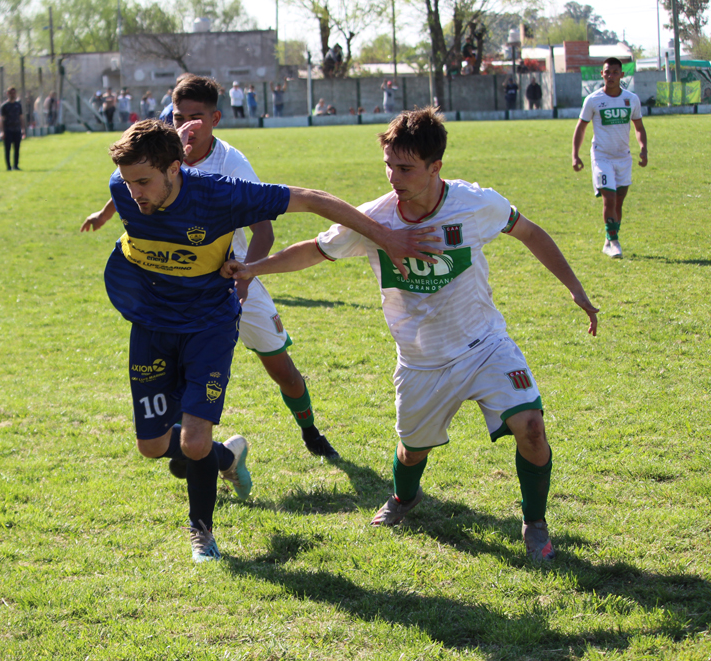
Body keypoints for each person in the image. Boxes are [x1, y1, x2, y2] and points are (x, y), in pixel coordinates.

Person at [223, 107, 600, 562]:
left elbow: (531, 233)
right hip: (422, 361)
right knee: (411, 453)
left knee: (533, 429)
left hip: (485, 344)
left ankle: (534, 522)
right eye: (388, 165)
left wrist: (575, 289)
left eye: (405, 168)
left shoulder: (475, 203)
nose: (393, 176)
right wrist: (253, 269)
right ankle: (404, 498)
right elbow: (315, 251)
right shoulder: (374, 220)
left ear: (435, 166)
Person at [95, 118, 438, 562]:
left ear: (175, 170)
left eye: (143, 181)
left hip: (209, 323)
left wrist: (386, 236)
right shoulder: (124, 188)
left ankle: (202, 535)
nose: (133, 191)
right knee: (153, 447)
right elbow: (135, 185)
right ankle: (228, 458)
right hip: (152, 322)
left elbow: (314, 200)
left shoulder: (221, 193)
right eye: (128, 181)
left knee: (193, 441)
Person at [84, 74, 344, 465]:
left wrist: (247, 276)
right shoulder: (164, 151)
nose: (185, 124)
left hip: (233, 275)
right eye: (177, 115)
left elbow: (264, 231)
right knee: (175, 383)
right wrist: (104, 215)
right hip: (178, 283)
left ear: (216, 118)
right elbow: (131, 180)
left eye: (196, 116)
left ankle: (310, 431)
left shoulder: (232, 164)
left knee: (281, 369)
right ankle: (202, 452)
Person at [572, 58, 647, 259]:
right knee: (609, 198)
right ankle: (613, 241)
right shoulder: (593, 100)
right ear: (602, 74)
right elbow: (581, 127)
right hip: (601, 156)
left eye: (615, 72)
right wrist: (575, 155)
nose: (611, 76)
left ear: (622, 75)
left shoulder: (631, 99)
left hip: (623, 157)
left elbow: (639, 127)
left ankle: (610, 238)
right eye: (608, 72)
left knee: (619, 201)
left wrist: (643, 149)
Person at [0, 87, 24, 171]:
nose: (12, 95)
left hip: (16, 129)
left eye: (14, 93)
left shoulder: (18, 105)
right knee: (8, 149)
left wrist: (23, 129)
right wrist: (2, 131)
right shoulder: (4, 106)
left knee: (17, 149)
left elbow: (21, 117)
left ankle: (16, 165)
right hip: (8, 130)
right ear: (7, 94)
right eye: (11, 93)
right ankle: (8, 166)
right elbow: (1, 119)